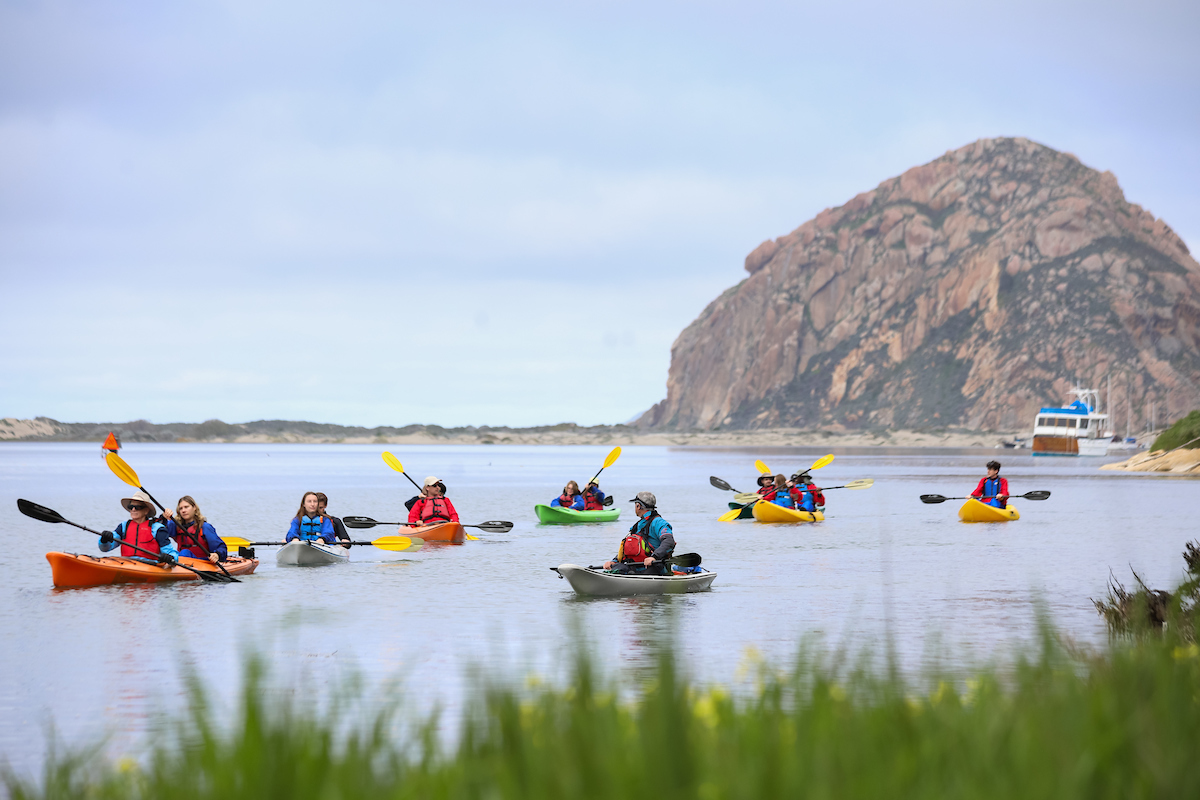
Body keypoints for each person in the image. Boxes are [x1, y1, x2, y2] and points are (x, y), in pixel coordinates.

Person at [603, 491, 675, 575]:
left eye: (635, 505)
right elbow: (629, 547)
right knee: (616, 568)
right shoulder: (637, 526)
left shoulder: (659, 523)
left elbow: (669, 541)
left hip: (653, 568)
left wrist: (654, 557)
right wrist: (614, 561)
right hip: (633, 567)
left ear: (638, 506)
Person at [99, 490, 178, 565]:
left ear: (146, 511)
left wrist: (170, 558)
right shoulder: (123, 526)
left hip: (150, 565)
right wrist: (104, 540)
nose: (133, 509)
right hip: (126, 563)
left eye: (138, 507)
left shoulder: (157, 528)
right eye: (131, 506)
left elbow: (171, 552)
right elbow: (105, 548)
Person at [166, 495, 227, 562]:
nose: (183, 510)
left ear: (194, 508)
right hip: (183, 562)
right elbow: (161, 531)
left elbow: (221, 547)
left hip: (203, 562)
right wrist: (164, 517)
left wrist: (217, 554)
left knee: (185, 552)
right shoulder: (175, 525)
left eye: (186, 507)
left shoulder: (205, 527)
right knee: (183, 553)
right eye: (181, 508)